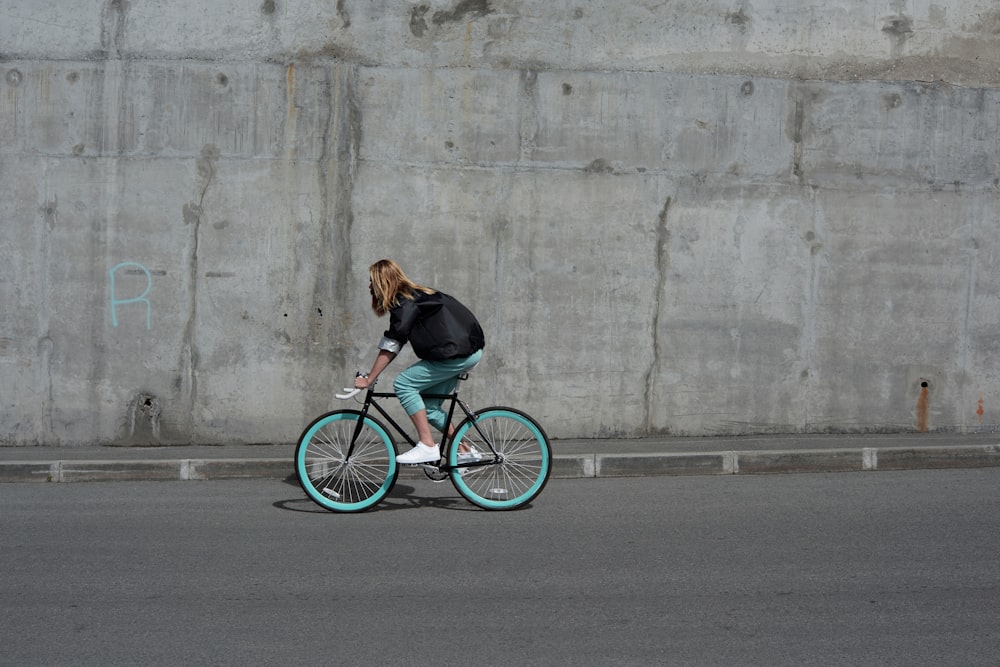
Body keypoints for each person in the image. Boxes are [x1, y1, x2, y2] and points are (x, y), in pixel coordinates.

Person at [353, 259, 485, 464]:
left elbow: (393, 343)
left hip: (456, 354)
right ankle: (464, 450)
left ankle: (427, 445)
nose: (369, 286)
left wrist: (369, 379)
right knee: (430, 407)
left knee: (403, 384)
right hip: (466, 351)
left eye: (371, 281)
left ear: (382, 282)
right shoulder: (419, 295)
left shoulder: (404, 303)